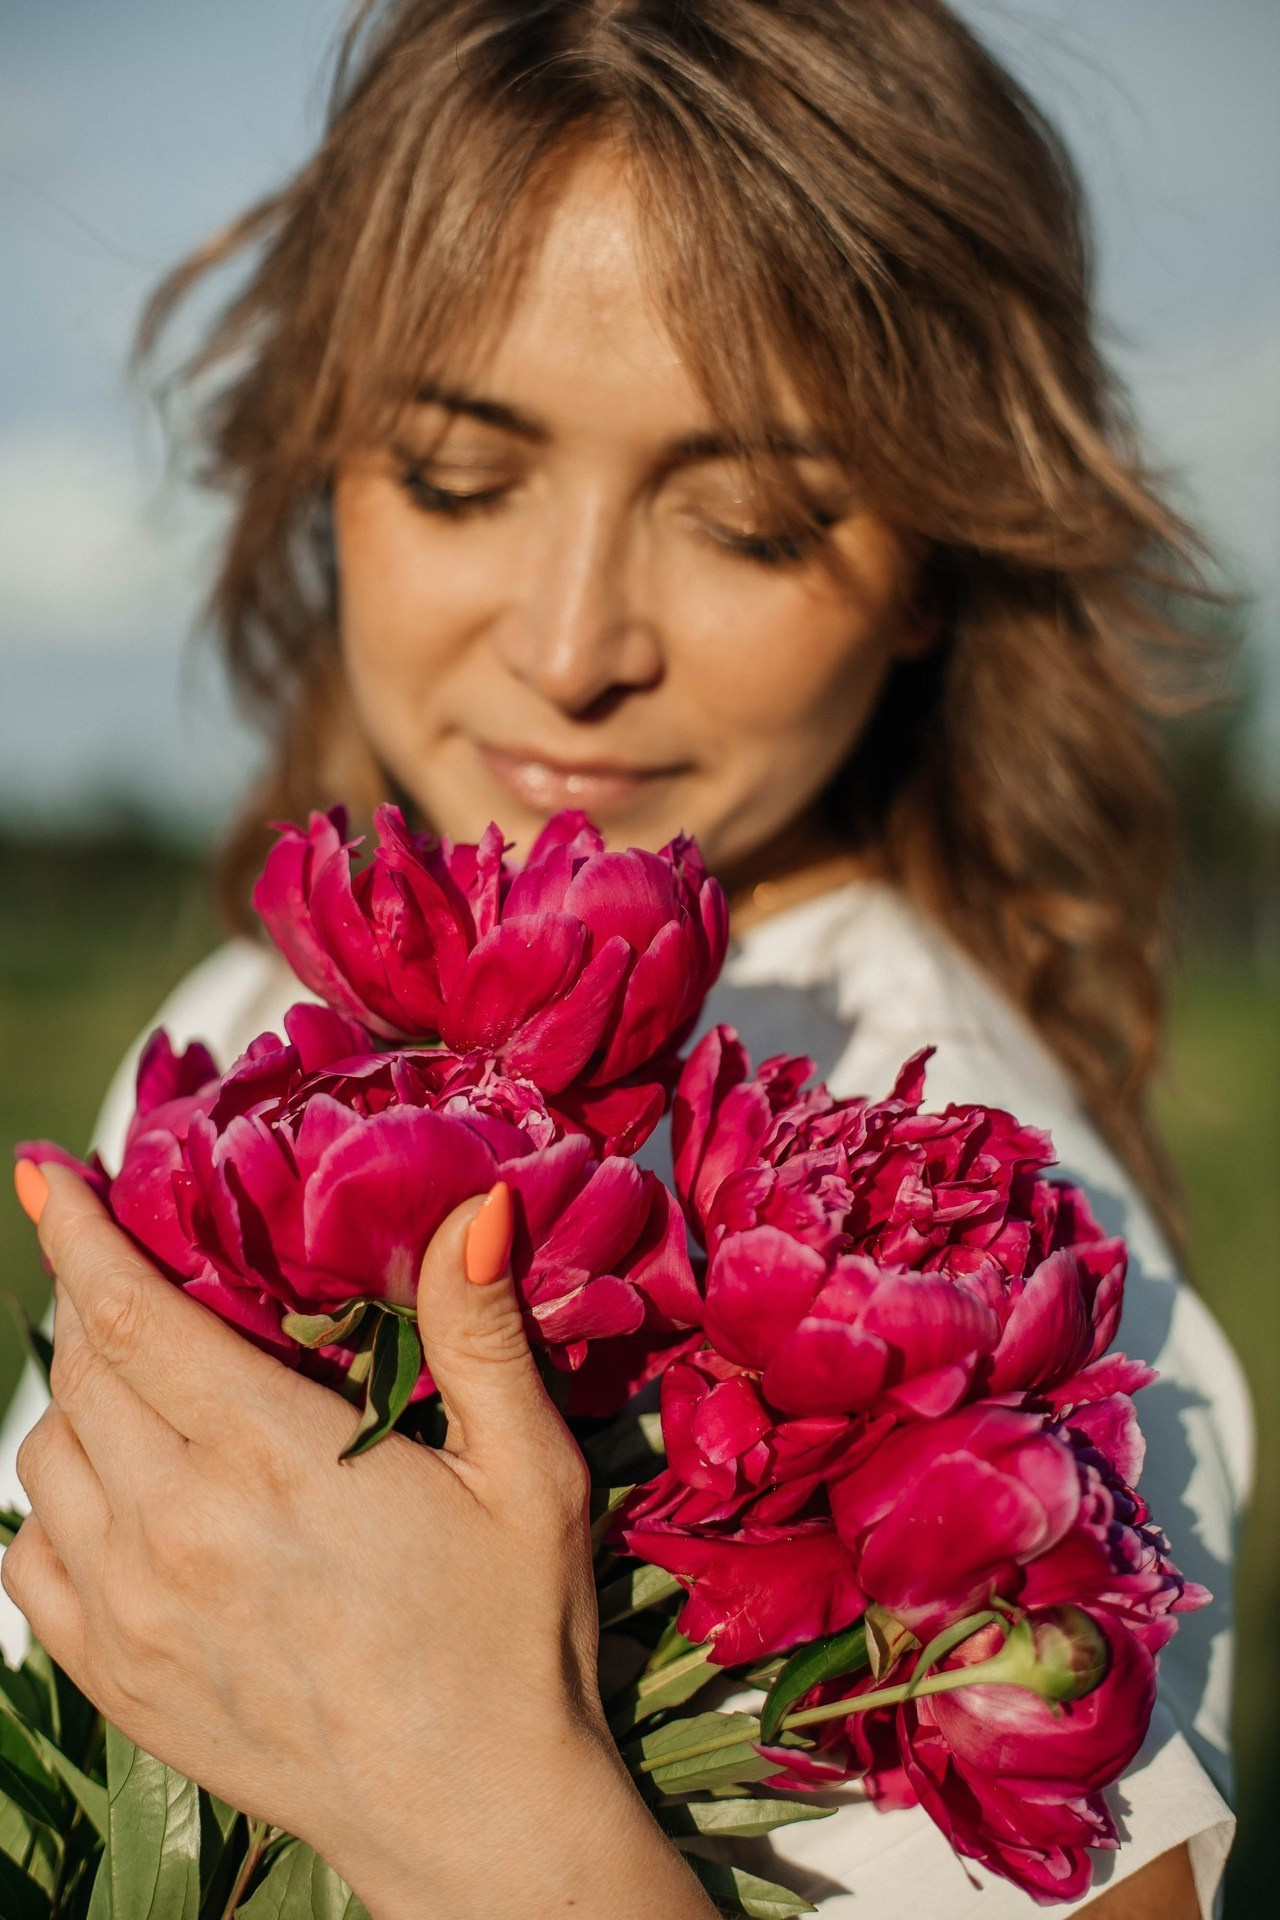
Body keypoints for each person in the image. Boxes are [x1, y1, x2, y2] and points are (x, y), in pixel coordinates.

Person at [0, 3, 1252, 1914]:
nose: (577, 642)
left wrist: (489, 1808)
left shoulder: (977, 1253)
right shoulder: (246, 1020)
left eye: (747, 519)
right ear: (320, 459)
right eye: (455, 478)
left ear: (935, 549)